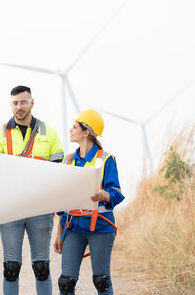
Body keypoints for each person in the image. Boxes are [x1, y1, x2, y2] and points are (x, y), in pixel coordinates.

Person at [0, 85, 64, 295]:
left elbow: (58, 170)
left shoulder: (49, 132)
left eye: (23, 102)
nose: (19, 107)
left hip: (40, 209)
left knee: (42, 267)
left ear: (32, 103)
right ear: (10, 104)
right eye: (15, 103)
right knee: (11, 268)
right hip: (11, 209)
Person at [54, 109, 124, 295]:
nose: (70, 130)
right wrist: (59, 232)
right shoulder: (67, 160)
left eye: (74, 127)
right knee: (65, 282)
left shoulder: (106, 159)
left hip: (100, 227)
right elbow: (62, 200)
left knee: (101, 280)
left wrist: (104, 195)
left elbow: (116, 192)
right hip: (73, 227)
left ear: (86, 132)